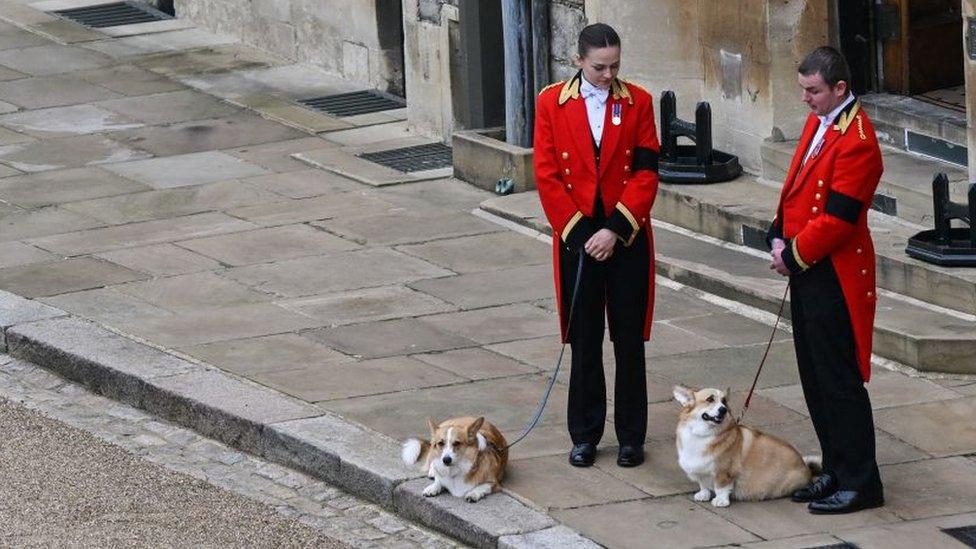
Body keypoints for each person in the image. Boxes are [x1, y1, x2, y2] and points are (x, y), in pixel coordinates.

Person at [534, 23, 660, 468]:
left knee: (629, 341)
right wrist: (583, 234)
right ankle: (585, 434)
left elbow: (646, 172)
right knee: (584, 339)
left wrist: (615, 230)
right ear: (579, 62)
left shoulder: (639, 101)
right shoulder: (551, 101)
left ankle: (631, 436)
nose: (609, 75)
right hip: (578, 239)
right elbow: (546, 175)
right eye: (601, 67)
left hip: (624, 236)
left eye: (616, 66)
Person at [767, 46, 884, 514]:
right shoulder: (821, 121)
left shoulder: (857, 139)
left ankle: (862, 481)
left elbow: (838, 219)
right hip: (808, 268)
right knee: (814, 376)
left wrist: (791, 256)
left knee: (838, 380)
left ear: (839, 88)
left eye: (812, 91)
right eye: (803, 90)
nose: (805, 100)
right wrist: (778, 233)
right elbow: (796, 186)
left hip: (834, 274)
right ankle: (835, 467)